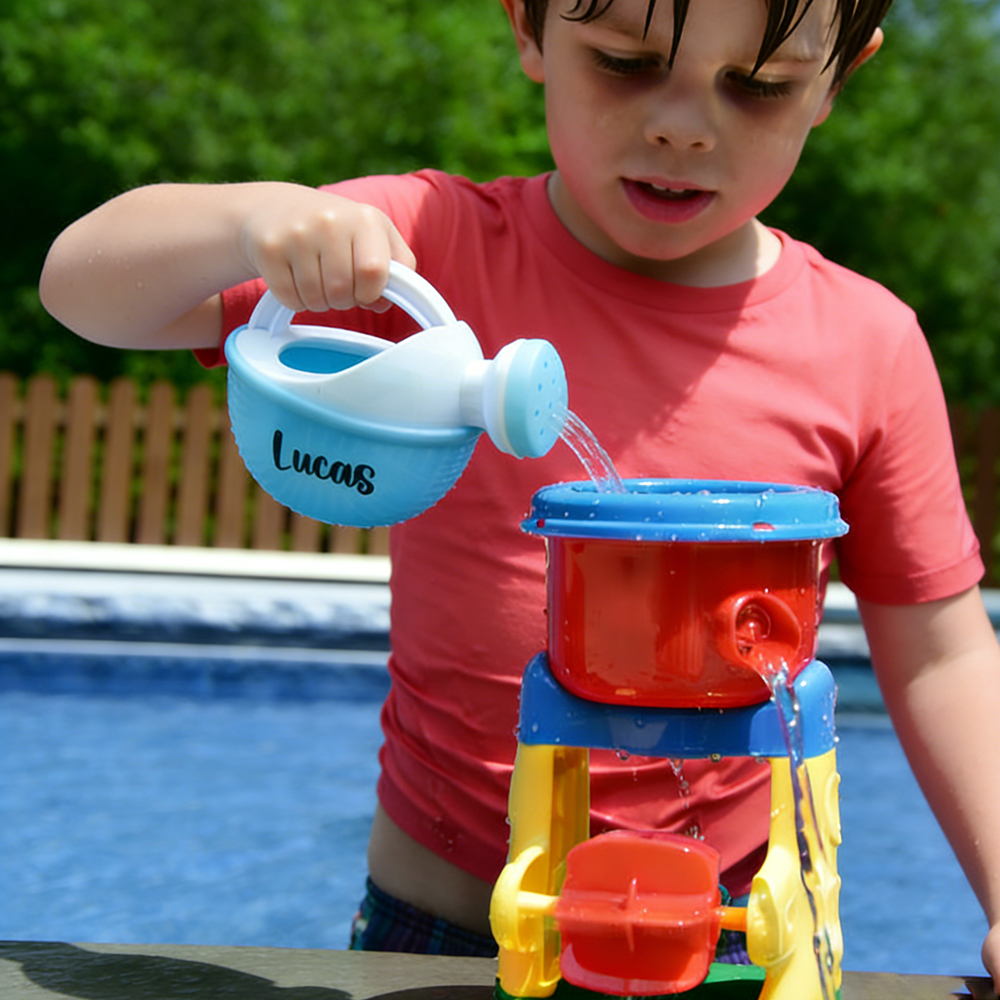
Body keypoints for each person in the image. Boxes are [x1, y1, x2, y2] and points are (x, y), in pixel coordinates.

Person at [39, 0, 1000, 985]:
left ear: (838, 77)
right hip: (447, 929)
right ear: (529, 28)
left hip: (735, 943)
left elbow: (940, 657)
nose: (683, 124)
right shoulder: (427, 257)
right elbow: (82, 290)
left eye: (757, 85)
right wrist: (251, 221)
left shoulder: (864, 346)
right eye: (626, 62)